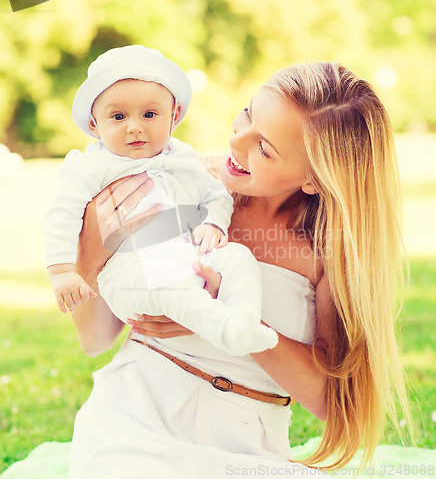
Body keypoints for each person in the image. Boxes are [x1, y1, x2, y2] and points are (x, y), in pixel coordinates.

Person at [68, 61, 409, 478]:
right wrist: (89, 255)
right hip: (132, 420)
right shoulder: (179, 185)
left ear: (315, 179)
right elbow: (94, 339)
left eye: (264, 148)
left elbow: (332, 401)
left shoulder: (330, 249)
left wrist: (231, 321)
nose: (235, 142)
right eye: (248, 113)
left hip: (249, 446)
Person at [44, 45, 278, 356]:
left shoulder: (183, 157)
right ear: (93, 125)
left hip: (187, 252)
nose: (135, 126)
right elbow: (63, 214)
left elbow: (215, 194)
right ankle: (226, 328)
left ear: (174, 116)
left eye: (150, 114)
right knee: (170, 286)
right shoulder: (90, 166)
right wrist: (62, 271)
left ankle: (245, 321)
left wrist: (213, 223)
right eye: (118, 116)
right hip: (130, 268)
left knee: (237, 258)